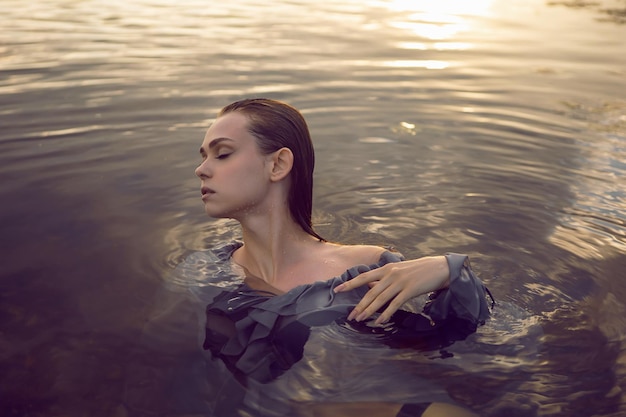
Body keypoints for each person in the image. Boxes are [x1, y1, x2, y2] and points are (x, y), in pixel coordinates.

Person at [193, 98, 492, 417]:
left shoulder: (364, 268)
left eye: (222, 153)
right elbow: (167, 368)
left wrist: (449, 272)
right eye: (204, 157)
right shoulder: (201, 273)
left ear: (278, 165)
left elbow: (457, 348)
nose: (201, 169)